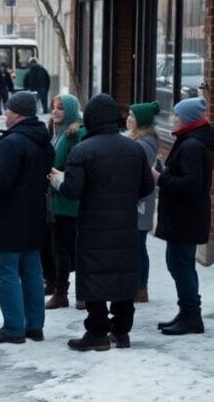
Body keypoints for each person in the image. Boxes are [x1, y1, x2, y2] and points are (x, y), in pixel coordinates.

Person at [50, 94, 154, 350]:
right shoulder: (134, 149)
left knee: (93, 273)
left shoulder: (83, 150)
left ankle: (97, 332)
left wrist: (58, 180)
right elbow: (146, 186)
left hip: (93, 226)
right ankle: (121, 331)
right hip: (126, 225)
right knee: (123, 275)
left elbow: (72, 190)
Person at [0, 91, 54, 344]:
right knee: (32, 272)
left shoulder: (13, 142)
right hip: (34, 217)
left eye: (8, 109)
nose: (5, 113)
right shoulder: (43, 140)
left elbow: (1, 181)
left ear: (17, 113)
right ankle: (34, 325)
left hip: (8, 218)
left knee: (7, 274)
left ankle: (13, 327)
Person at [154, 97, 214, 336]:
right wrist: (167, 171)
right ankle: (187, 312)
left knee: (180, 265)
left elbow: (191, 184)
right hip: (185, 216)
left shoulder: (192, 145)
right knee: (178, 263)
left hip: (186, 217)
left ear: (189, 119)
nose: (174, 118)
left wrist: (160, 178)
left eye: (178, 115)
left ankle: (192, 315)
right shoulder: (191, 141)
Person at [44, 94, 85, 310]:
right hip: (56, 200)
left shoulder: (76, 133)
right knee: (59, 248)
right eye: (53, 107)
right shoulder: (56, 131)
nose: (55, 111)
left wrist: (59, 173)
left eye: (60, 108)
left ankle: (71, 293)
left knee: (70, 249)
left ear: (69, 110)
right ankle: (61, 290)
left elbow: (79, 167)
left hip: (71, 201)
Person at [127, 102, 159, 304]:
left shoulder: (143, 145)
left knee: (138, 245)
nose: (128, 118)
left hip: (140, 203)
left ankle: (141, 287)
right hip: (137, 202)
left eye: (132, 115)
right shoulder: (137, 140)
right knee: (136, 244)